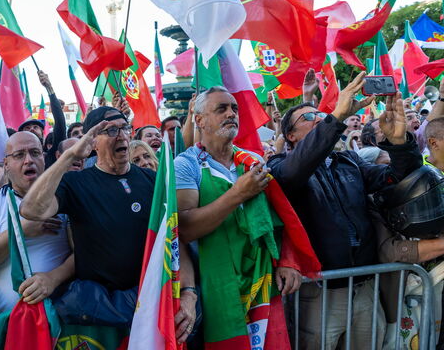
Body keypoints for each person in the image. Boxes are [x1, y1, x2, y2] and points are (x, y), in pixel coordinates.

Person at [268, 72, 423, 349]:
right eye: (308, 117)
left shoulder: (348, 161)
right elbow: (296, 170)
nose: (318, 118)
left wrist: (400, 143)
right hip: (320, 292)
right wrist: (336, 117)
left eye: (320, 114)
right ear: (289, 136)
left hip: (364, 287)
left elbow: (397, 178)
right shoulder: (280, 166)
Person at [20, 106, 197, 344]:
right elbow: (32, 210)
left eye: (124, 127)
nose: (122, 135)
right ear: (92, 141)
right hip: (98, 318)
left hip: (152, 308)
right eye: (110, 130)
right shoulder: (75, 183)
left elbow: (175, 242)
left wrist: (188, 294)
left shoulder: (153, 180)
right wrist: (70, 155)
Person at [175, 86, 310, 348]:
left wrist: (287, 261)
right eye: (221, 109)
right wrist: (237, 194)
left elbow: (276, 219)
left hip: (260, 280)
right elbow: (186, 228)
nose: (231, 114)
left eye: (234, 108)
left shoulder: (252, 160)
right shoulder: (186, 164)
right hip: (217, 286)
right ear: (199, 120)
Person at [0, 132, 73, 326]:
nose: (28, 160)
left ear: (44, 158)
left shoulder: (66, 199)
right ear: (5, 165)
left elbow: (86, 253)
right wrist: (20, 230)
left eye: (35, 153)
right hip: (8, 329)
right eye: (19, 155)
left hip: (63, 326)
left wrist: (52, 278)